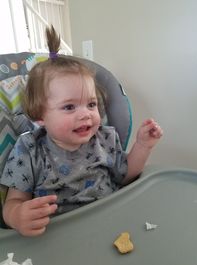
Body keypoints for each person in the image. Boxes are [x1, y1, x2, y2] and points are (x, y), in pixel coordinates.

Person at [0, 26, 163, 237]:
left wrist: (142, 146)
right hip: (57, 236)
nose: (86, 114)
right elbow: (14, 201)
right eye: (69, 107)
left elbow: (125, 175)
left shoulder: (105, 138)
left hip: (110, 224)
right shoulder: (29, 148)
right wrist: (17, 216)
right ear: (40, 117)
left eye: (91, 104)